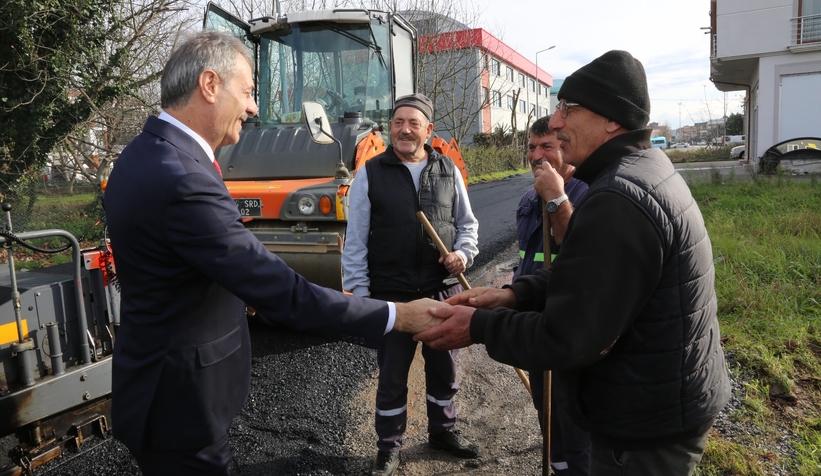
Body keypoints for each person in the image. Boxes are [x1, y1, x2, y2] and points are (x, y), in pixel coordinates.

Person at [104, 31, 443, 476]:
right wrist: (398, 315)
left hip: (157, 383)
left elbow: (176, 264)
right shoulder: (183, 177)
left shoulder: (142, 154)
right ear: (209, 85)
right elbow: (288, 294)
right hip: (181, 404)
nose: (254, 107)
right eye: (246, 91)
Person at [416, 50, 731, 476]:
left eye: (568, 107)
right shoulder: (641, 171)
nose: (558, 120)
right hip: (659, 399)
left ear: (612, 119)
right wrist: (512, 294)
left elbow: (569, 335)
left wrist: (477, 327)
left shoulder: (619, 198)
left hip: (645, 425)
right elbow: (588, 280)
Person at [342, 93, 480, 476]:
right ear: (391, 127)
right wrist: (363, 298)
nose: (404, 129)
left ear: (428, 130)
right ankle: (388, 447)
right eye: (398, 122)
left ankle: (443, 432)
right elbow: (355, 240)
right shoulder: (370, 172)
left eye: (413, 123)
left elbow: (468, 226)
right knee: (391, 377)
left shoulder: (448, 170)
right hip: (392, 296)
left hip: (441, 292)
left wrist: (463, 256)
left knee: (444, 371)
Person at [517, 116, 590, 476]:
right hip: (535, 321)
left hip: (569, 327)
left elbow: (579, 250)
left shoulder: (586, 194)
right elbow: (526, 260)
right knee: (547, 414)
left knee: (572, 416)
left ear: (564, 145)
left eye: (546, 145)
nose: (536, 154)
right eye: (531, 146)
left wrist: (554, 198)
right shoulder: (529, 199)